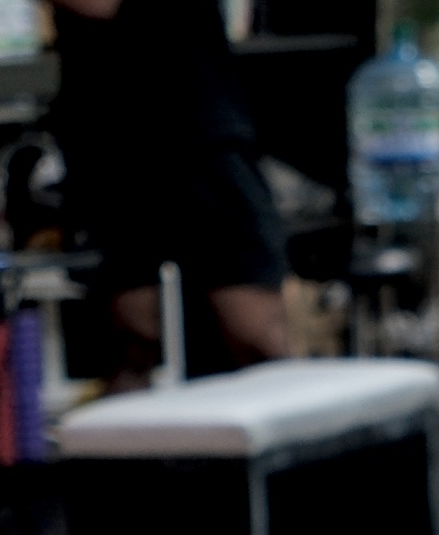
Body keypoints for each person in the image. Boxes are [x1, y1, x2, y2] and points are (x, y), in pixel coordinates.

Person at [52, 0, 292, 382]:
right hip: (112, 138)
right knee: (135, 339)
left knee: (256, 333)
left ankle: (286, 438)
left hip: (203, 128)